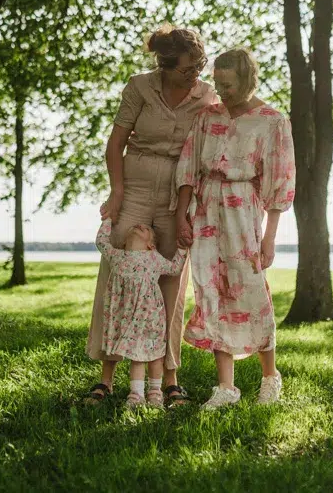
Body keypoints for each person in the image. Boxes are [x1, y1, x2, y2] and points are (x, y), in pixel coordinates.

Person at [84, 24, 216, 406]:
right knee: (118, 278)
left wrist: (189, 210)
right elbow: (115, 144)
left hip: (179, 195)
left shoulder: (206, 96)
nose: (195, 75)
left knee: (171, 289)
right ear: (165, 65)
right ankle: (106, 378)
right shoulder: (139, 87)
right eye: (187, 69)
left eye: (199, 65)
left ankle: (169, 381)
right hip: (136, 189)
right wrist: (118, 192)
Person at [174, 49, 296, 409]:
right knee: (211, 290)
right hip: (206, 208)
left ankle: (270, 377)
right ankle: (226, 387)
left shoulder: (271, 121)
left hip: (243, 210)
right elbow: (188, 167)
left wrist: (270, 238)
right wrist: (183, 215)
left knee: (250, 290)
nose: (221, 91)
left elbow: (279, 184)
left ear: (246, 81)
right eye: (217, 83)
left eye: (227, 84)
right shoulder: (207, 117)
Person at [94, 218, 188, 407]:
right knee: (136, 357)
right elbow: (101, 242)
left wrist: (183, 248)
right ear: (124, 241)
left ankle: (155, 393)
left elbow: (175, 268)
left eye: (146, 229)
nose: (141, 225)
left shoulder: (154, 257)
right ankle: (136, 395)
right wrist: (108, 220)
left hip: (152, 316)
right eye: (136, 227)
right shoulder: (117, 255)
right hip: (129, 320)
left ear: (151, 245)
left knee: (155, 355)